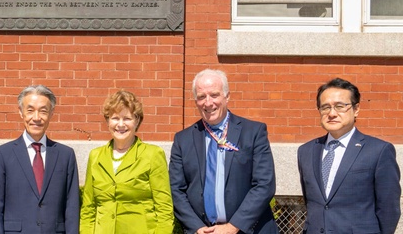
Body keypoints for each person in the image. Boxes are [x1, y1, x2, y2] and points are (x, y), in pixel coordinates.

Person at [169, 69, 278, 234]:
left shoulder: (253, 132)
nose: (208, 103)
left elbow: (264, 184)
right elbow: (176, 189)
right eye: (201, 97)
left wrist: (232, 227)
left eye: (214, 95)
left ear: (227, 97)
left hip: (246, 230)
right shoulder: (182, 140)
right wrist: (197, 227)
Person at [297, 77, 401, 234]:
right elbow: (311, 201)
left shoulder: (378, 150)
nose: (332, 113)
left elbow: (388, 208)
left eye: (340, 106)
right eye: (325, 107)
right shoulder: (306, 151)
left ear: (356, 109)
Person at [0, 84, 80, 234]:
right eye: (30, 110)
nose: (36, 118)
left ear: (51, 113)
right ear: (21, 112)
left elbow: (72, 206)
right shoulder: (2, 155)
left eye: (43, 111)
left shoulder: (65, 155)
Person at [80, 90, 175, 234]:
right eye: (115, 118)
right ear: (107, 121)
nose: (120, 124)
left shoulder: (153, 154)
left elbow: (164, 210)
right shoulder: (96, 156)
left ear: (137, 121)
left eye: (127, 118)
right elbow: (88, 208)